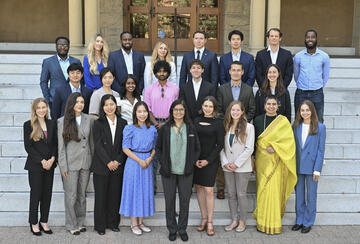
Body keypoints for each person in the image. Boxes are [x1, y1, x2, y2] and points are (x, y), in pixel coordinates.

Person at [157, 99, 201, 242]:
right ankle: (172, 229)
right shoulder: (164, 128)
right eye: (176, 109)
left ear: (185, 111)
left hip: (185, 171)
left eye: (181, 109)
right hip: (168, 172)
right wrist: (163, 164)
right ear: (171, 111)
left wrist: (191, 163)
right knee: (169, 201)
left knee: (184, 202)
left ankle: (182, 229)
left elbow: (197, 148)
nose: (178, 112)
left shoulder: (191, 128)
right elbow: (158, 149)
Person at [252, 95, 297, 235]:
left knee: (273, 190)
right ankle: (262, 222)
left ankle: (274, 222)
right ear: (264, 106)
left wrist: (276, 148)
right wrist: (253, 158)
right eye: (268, 104)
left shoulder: (283, 121)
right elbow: (255, 141)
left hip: (277, 162)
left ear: (278, 106)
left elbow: (289, 143)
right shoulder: (258, 120)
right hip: (262, 161)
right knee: (262, 190)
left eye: (274, 104)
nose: (271, 106)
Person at [216, 61, 255, 199]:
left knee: (240, 153)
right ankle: (221, 187)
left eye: (239, 70)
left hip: (243, 129)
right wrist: (228, 122)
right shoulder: (222, 89)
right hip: (226, 127)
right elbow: (219, 109)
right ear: (229, 72)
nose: (236, 72)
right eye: (234, 70)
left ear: (243, 72)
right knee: (225, 153)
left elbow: (251, 109)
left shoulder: (248, 89)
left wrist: (241, 124)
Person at [57, 92, 94, 235]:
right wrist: (63, 166)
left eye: (82, 102)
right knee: (71, 195)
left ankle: (80, 222)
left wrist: (92, 162)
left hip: (86, 162)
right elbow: (61, 146)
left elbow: (91, 144)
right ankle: (71, 224)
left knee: (81, 195)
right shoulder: (62, 121)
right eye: (77, 102)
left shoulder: (89, 120)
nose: (80, 104)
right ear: (71, 104)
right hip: (70, 164)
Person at [91, 94, 127, 235]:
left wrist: (117, 161)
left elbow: (124, 145)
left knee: (114, 196)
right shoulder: (98, 123)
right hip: (101, 166)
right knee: (100, 197)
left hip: (117, 166)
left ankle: (113, 223)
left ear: (116, 106)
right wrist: (108, 162)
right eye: (106, 105)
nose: (109, 107)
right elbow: (98, 145)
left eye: (112, 104)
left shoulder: (123, 123)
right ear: (102, 107)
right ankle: (100, 226)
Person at [120, 101, 157, 235]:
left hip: (147, 162)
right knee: (134, 191)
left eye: (144, 111)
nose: (142, 114)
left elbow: (154, 148)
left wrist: (149, 159)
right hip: (134, 163)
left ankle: (141, 222)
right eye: (139, 111)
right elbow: (125, 148)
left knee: (144, 191)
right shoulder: (129, 128)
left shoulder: (152, 129)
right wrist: (140, 160)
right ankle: (133, 223)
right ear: (135, 113)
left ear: (148, 113)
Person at [23, 98, 57, 236]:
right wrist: (42, 161)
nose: (42, 110)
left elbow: (56, 144)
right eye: (39, 108)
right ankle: (33, 222)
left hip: (50, 165)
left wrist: (53, 159)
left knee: (47, 195)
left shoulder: (52, 123)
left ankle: (44, 221)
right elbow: (28, 147)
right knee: (36, 194)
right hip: (36, 166)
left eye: (44, 107)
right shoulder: (28, 125)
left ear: (47, 108)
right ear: (34, 110)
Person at [144, 60, 179, 192]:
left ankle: (170, 187)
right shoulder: (149, 89)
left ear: (168, 73)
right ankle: (152, 187)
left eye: (164, 71)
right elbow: (147, 109)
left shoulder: (175, 89)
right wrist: (156, 124)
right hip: (153, 126)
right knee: (153, 157)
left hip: (170, 125)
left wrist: (166, 123)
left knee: (170, 156)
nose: (162, 73)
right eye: (159, 71)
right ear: (155, 73)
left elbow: (177, 109)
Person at [292, 100, 326, 234]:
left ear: (312, 111)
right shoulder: (295, 126)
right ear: (299, 112)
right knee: (299, 195)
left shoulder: (320, 127)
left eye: (307, 110)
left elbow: (320, 150)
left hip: (312, 167)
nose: (305, 112)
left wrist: (317, 169)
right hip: (298, 165)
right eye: (302, 110)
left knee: (311, 195)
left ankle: (308, 221)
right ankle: (299, 220)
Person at [221, 101, 254, 233]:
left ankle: (242, 221)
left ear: (242, 112)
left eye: (237, 110)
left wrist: (236, 163)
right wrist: (225, 162)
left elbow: (249, 148)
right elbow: (221, 147)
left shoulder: (249, 127)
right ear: (229, 112)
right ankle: (234, 220)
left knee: (241, 194)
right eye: (232, 110)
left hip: (242, 167)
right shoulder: (225, 126)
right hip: (227, 166)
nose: (235, 112)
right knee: (231, 194)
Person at [193, 96, 224, 236]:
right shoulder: (196, 120)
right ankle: (203, 219)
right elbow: (192, 140)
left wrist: (208, 160)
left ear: (214, 108)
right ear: (202, 107)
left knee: (209, 190)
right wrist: (195, 159)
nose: (207, 108)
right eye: (205, 106)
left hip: (210, 161)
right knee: (199, 188)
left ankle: (210, 221)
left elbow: (220, 145)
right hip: (196, 160)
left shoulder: (218, 123)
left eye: (210, 106)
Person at [294, 29, 330, 123]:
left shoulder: (324, 56)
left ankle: (317, 138)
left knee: (318, 120)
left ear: (316, 39)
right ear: (305, 39)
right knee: (299, 120)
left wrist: (318, 86)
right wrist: (301, 85)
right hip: (301, 93)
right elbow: (296, 75)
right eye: (308, 37)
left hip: (317, 93)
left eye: (312, 37)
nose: (310, 39)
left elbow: (325, 76)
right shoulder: (298, 56)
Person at [40, 36, 81, 118]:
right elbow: (43, 82)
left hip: (73, 100)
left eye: (65, 45)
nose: (62, 47)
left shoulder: (76, 61)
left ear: (69, 46)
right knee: (57, 125)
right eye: (60, 45)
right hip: (55, 101)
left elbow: (81, 80)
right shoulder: (48, 62)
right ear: (56, 46)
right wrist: (48, 99)